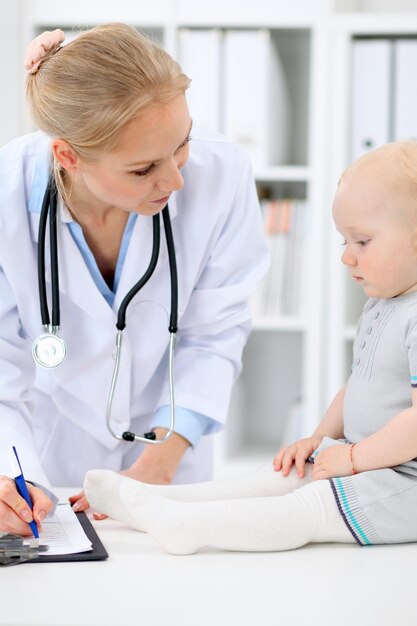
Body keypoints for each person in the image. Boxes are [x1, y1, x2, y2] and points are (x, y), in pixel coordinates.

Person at [0, 24, 269, 536]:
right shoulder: (6, 193)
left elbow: (213, 336)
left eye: (182, 143)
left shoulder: (223, 173)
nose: (175, 180)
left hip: (169, 457)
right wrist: (15, 475)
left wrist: (160, 463)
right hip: (48, 446)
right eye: (144, 169)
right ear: (68, 157)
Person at [85, 140, 417, 554]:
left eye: (362, 242)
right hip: (364, 459)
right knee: (275, 479)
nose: (347, 258)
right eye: (343, 242)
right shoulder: (383, 303)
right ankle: (159, 502)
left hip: (404, 482)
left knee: (307, 510)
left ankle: (188, 526)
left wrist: (353, 460)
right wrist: (316, 439)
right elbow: (358, 386)